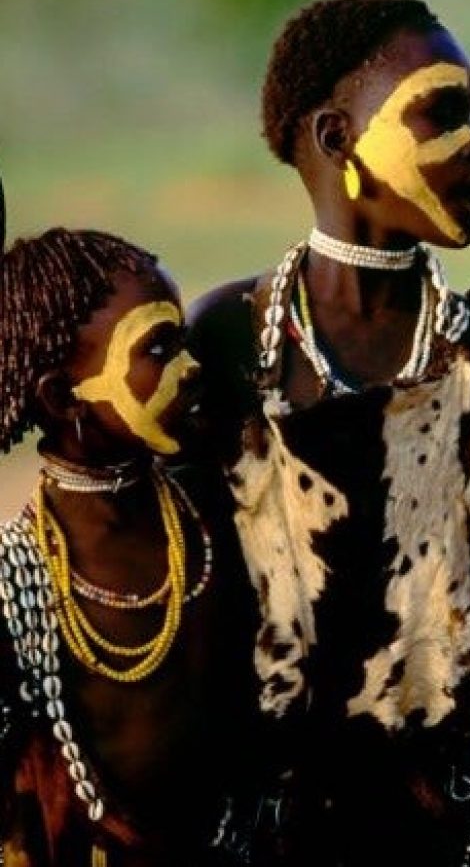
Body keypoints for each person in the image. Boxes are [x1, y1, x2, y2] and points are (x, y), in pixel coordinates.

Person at [187, 0, 470, 867]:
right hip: (261, 823)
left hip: (449, 821)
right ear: (334, 138)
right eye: (439, 113)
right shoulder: (231, 340)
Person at [0, 228, 260, 866]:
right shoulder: (16, 578)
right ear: (63, 398)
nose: (191, 367)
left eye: (184, 339)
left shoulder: (222, 516)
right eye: (160, 349)